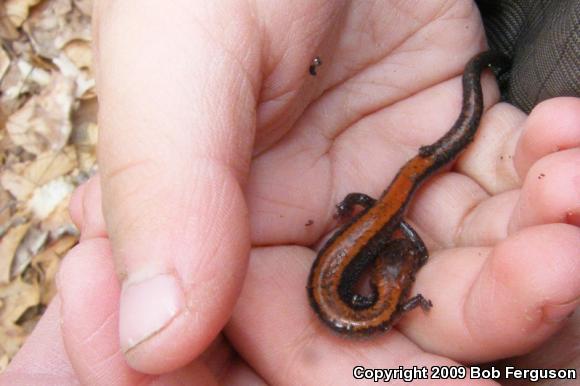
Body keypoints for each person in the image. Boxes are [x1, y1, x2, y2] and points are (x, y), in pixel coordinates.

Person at [2, 1, 579, 384]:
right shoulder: (382, 300)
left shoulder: (376, 298)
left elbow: (400, 272)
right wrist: (390, 239)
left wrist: (387, 235)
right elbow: (402, 275)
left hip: (377, 215)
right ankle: (484, 66)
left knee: (424, 174)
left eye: (402, 278)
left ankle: (487, 66)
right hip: (379, 215)